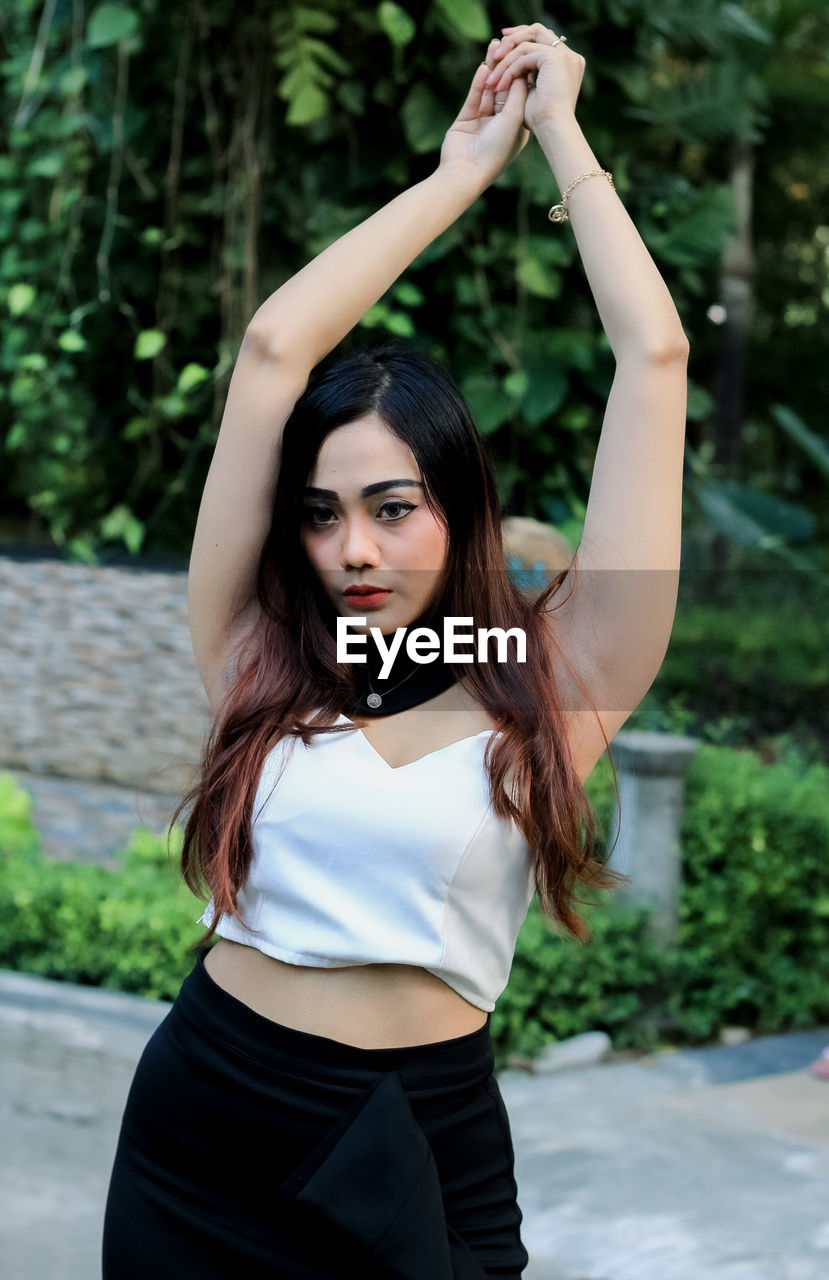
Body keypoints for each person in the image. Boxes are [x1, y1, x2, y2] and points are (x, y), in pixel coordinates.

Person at [102, 19, 688, 1280]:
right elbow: (272, 351)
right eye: (321, 512)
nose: (351, 545)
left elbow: (654, 358)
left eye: (391, 506)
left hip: (414, 1142)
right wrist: (450, 179)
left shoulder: (547, 682)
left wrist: (559, 141)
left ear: (459, 509)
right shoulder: (262, 658)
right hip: (201, 1123)